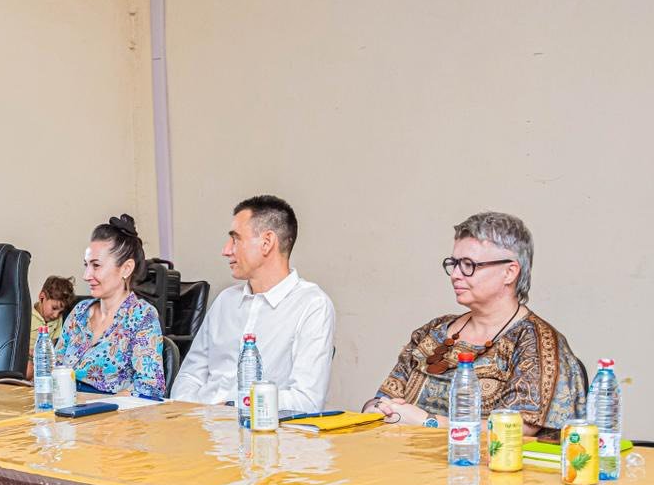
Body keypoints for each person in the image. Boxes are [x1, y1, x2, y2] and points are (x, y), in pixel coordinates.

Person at [367, 212, 585, 435]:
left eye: (468, 265)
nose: (455, 275)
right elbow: (382, 399)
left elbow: (518, 428)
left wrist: (428, 421)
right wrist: (378, 409)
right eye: (454, 264)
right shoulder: (433, 331)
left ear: (509, 272)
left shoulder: (536, 342)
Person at [170, 195, 335, 411]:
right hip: (200, 423)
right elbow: (190, 376)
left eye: (236, 239)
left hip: (259, 427)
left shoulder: (312, 305)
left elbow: (307, 400)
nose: (226, 250)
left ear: (267, 242)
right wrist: (192, 413)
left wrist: (234, 406)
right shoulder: (225, 301)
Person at [57, 214, 165, 398]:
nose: (86, 275)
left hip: (110, 413)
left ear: (126, 268)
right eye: (86, 265)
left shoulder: (142, 316)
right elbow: (54, 368)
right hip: (65, 406)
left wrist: (99, 403)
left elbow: (150, 387)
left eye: (96, 265)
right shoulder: (80, 311)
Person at [26, 274, 74, 380]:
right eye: (54, 308)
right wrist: (31, 353)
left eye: (60, 312)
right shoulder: (27, 315)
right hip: (27, 356)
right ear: (42, 297)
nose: (56, 315)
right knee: (28, 371)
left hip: (44, 359)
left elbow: (53, 345)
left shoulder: (58, 319)